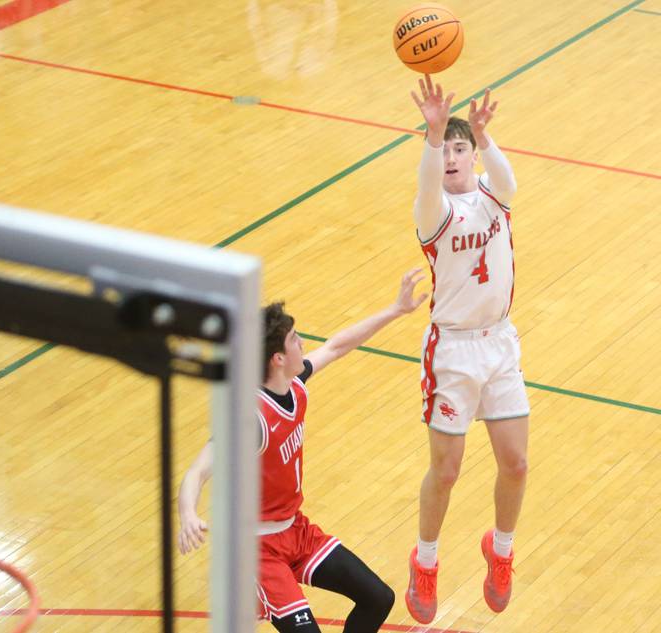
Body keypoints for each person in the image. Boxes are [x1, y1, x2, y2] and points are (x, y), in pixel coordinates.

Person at [178, 268, 428, 633]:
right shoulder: (251, 418)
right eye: (295, 339)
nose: (303, 343)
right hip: (259, 548)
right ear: (277, 358)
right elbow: (197, 471)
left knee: (378, 598)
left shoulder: (294, 384)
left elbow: (338, 345)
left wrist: (395, 309)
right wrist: (187, 512)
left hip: (296, 529)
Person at [403, 74, 530, 624]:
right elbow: (429, 185)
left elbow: (509, 181)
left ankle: (500, 551)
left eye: (461, 149)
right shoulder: (433, 213)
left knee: (517, 463)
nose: (453, 157)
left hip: (499, 343)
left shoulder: (493, 196)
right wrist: (433, 135)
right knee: (448, 470)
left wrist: (484, 136)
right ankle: (424, 560)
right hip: (452, 352)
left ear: (473, 156)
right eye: (446, 150)